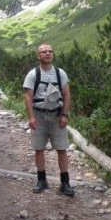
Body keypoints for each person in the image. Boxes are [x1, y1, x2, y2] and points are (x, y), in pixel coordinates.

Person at [23, 43, 74, 197]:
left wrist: (65, 114)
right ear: (38, 56)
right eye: (44, 52)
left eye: (50, 51)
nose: (47, 53)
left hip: (57, 115)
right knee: (39, 148)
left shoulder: (60, 74)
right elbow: (28, 96)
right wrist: (31, 117)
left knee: (62, 149)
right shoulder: (33, 74)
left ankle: (65, 183)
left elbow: (66, 94)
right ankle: (41, 180)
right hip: (39, 115)